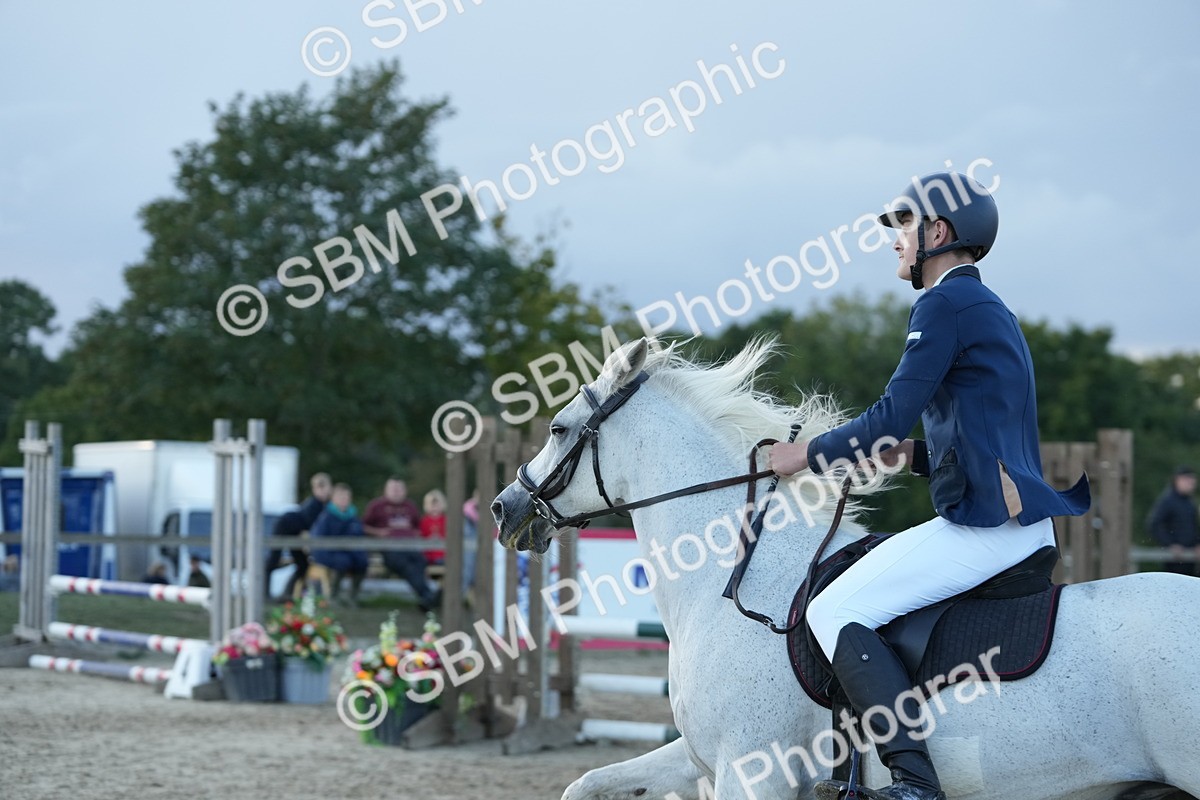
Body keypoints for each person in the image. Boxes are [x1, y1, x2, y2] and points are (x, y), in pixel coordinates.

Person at [769, 172, 1089, 800]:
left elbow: (888, 411)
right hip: (1018, 523)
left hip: (989, 530)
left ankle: (915, 784)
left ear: (938, 232)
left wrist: (802, 455)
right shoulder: (987, 306)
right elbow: (985, 432)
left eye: (905, 227)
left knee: (833, 608)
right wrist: (913, 455)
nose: (896, 242)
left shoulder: (942, 304)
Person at [362, 477, 440, 612]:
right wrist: (378, 532)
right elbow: (363, 526)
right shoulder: (377, 506)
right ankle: (428, 596)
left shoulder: (410, 506)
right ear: (386, 490)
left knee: (420, 561)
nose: (396, 492)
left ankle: (427, 598)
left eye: (399, 489)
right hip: (389, 549)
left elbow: (417, 527)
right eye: (393, 489)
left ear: (404, 491)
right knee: (406, 566)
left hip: (410, 546)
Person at [265, 472, 331, 598]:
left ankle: (288, 593)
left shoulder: (322, 506)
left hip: (295, 534)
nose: (323, 491)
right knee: (273, 560)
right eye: (320, 487)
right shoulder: (314, 505)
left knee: (303, 565)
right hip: (285, 527)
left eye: (324, 486)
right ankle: (266, 594)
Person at [309, 483, 369, 605]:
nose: (344, 500)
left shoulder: (353, 517)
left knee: (362, 561)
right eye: (341, 497)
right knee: (342, 562)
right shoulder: (326, 517)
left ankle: (352, 596)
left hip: (349, 552)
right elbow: (318, 539)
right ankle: (333, 596)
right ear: (334, 499)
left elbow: (358, 536)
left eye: (346, 497)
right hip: (328, 552)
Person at [1147, 466, 1198, 576]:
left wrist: (1197, 544)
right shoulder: (1168, 501)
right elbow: (1154, 524)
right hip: (1173, 560)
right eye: (1187, 480)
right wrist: (1170, 544)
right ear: (1177, 480)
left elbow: (1193, 527)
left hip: (1190, 558)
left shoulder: (1190, 503)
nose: (1191, 484)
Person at [419, 489, 448, 565]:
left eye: (437, 504)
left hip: (443, 555)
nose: (434, 507)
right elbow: (421, 537)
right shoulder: (423, 521)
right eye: (432, 504)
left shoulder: (447, 521)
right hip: (427, 555)